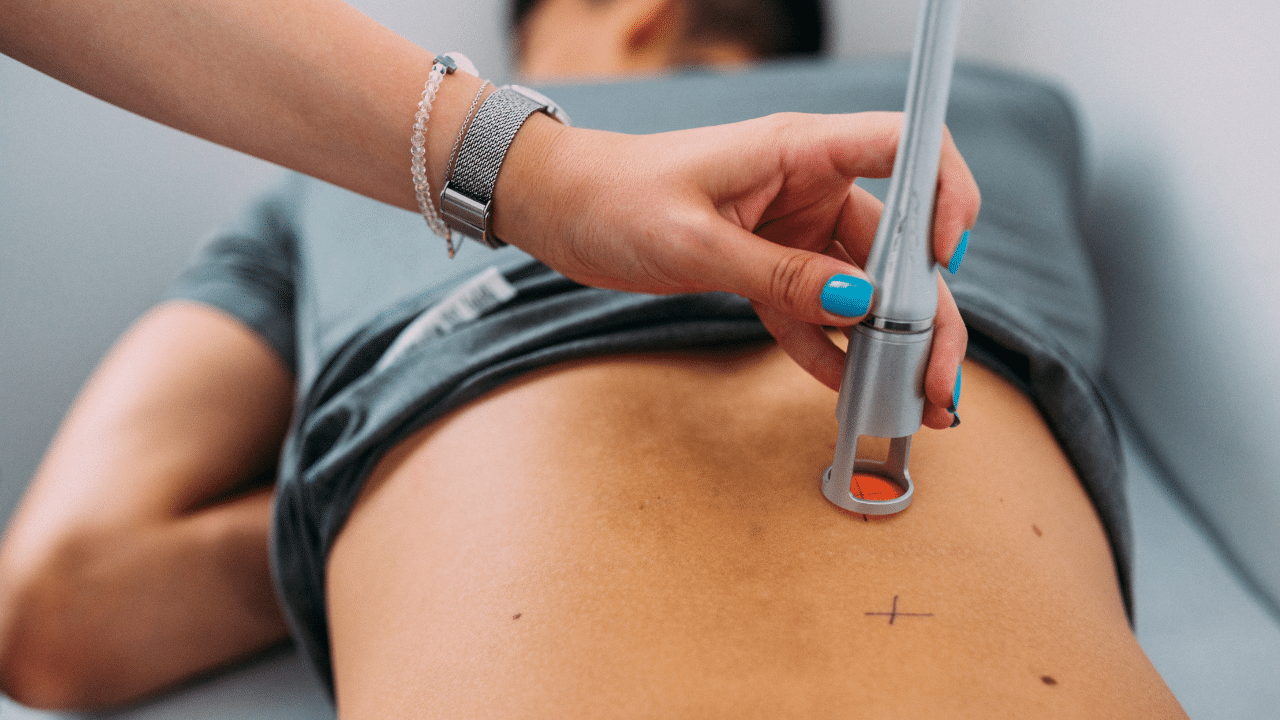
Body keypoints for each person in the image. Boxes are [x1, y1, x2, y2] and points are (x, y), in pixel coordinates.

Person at [0, 1, 1188, 718]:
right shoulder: (993, 118)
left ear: (636, 11)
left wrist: (406, 519)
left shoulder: (330, 192)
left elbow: (65, 603)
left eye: (516, 49)